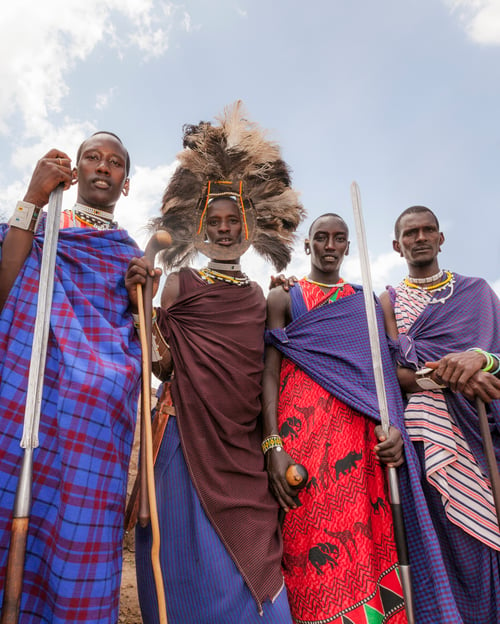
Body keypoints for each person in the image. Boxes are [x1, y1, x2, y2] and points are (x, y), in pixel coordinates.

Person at [125, 103, 304, 623]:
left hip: (246, 453)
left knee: (260, 578)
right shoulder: (181, 285)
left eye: (234, 221)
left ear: (251, 227)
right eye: (215, 222)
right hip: (185, 442)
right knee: (185, 571)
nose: (225, 231)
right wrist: (147, 295)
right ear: (199, 228)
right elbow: (159, 364)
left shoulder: (264, 298)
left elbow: (271, 372)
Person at [0, 132, 142, 623]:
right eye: (93, 158)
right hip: (24, 402)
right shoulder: (38, 228)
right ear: (76, 170)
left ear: (125, 183)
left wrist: (144, 297)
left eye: (116, 163)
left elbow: (140, 347)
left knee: (76, 540)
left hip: (92, 430)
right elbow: (5, 292)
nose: (104, 166)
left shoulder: (128, 254)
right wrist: (32, 198)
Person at [262, 213, 408, 624]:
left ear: (348, 246)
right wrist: (273, 446)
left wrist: (394, 427)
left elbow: (381, 378)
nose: (330, 245)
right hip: (299, 442)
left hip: (357, 444)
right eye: (321, 238)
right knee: (305, 547)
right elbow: (268, 373)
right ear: (307, 245)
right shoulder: (282, 299)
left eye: (338, 239)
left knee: (362, 542)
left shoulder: (366, 304)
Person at [380, 205, 500, 623]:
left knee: (489, 541)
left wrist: (480, 359)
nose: (420, 237)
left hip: (481, 431)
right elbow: (392, 374)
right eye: (410, 233)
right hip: (427, 438)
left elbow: (498, 359)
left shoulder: (478, 292)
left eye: (428, 229)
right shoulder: (389, 302)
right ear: (397, 246)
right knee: (444, 542)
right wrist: (449, 377)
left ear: (441, 238)